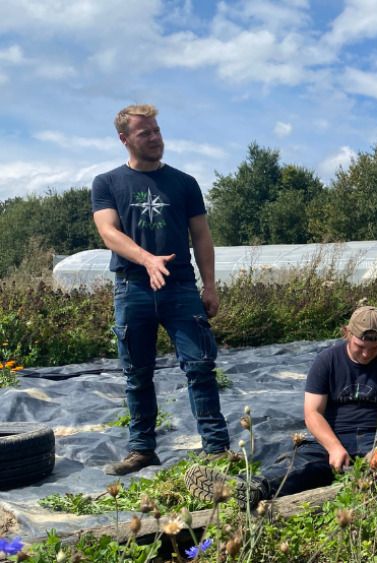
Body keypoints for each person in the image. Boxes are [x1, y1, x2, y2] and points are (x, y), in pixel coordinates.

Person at [184, 306, 377, 508]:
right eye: (360, 346)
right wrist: (334, 448)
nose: (366, 354)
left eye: (374, 347)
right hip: (335, 442)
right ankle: (250, 487)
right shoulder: (327, 360)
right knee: (299, 463)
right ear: (347, 333)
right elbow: (312, 412)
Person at [92, 104, 230, 475]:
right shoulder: (107, 183)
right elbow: (109, 232)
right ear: (124, 139)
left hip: (180, 287)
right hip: (132, 287)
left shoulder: (184, 183)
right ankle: (142, 450)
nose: (155, 138)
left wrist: (210, 285)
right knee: (136, 373)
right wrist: (147, 259)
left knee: (200, 366)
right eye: (145, 133)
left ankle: (216, 448)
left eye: (156, 130)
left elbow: (201, 236)